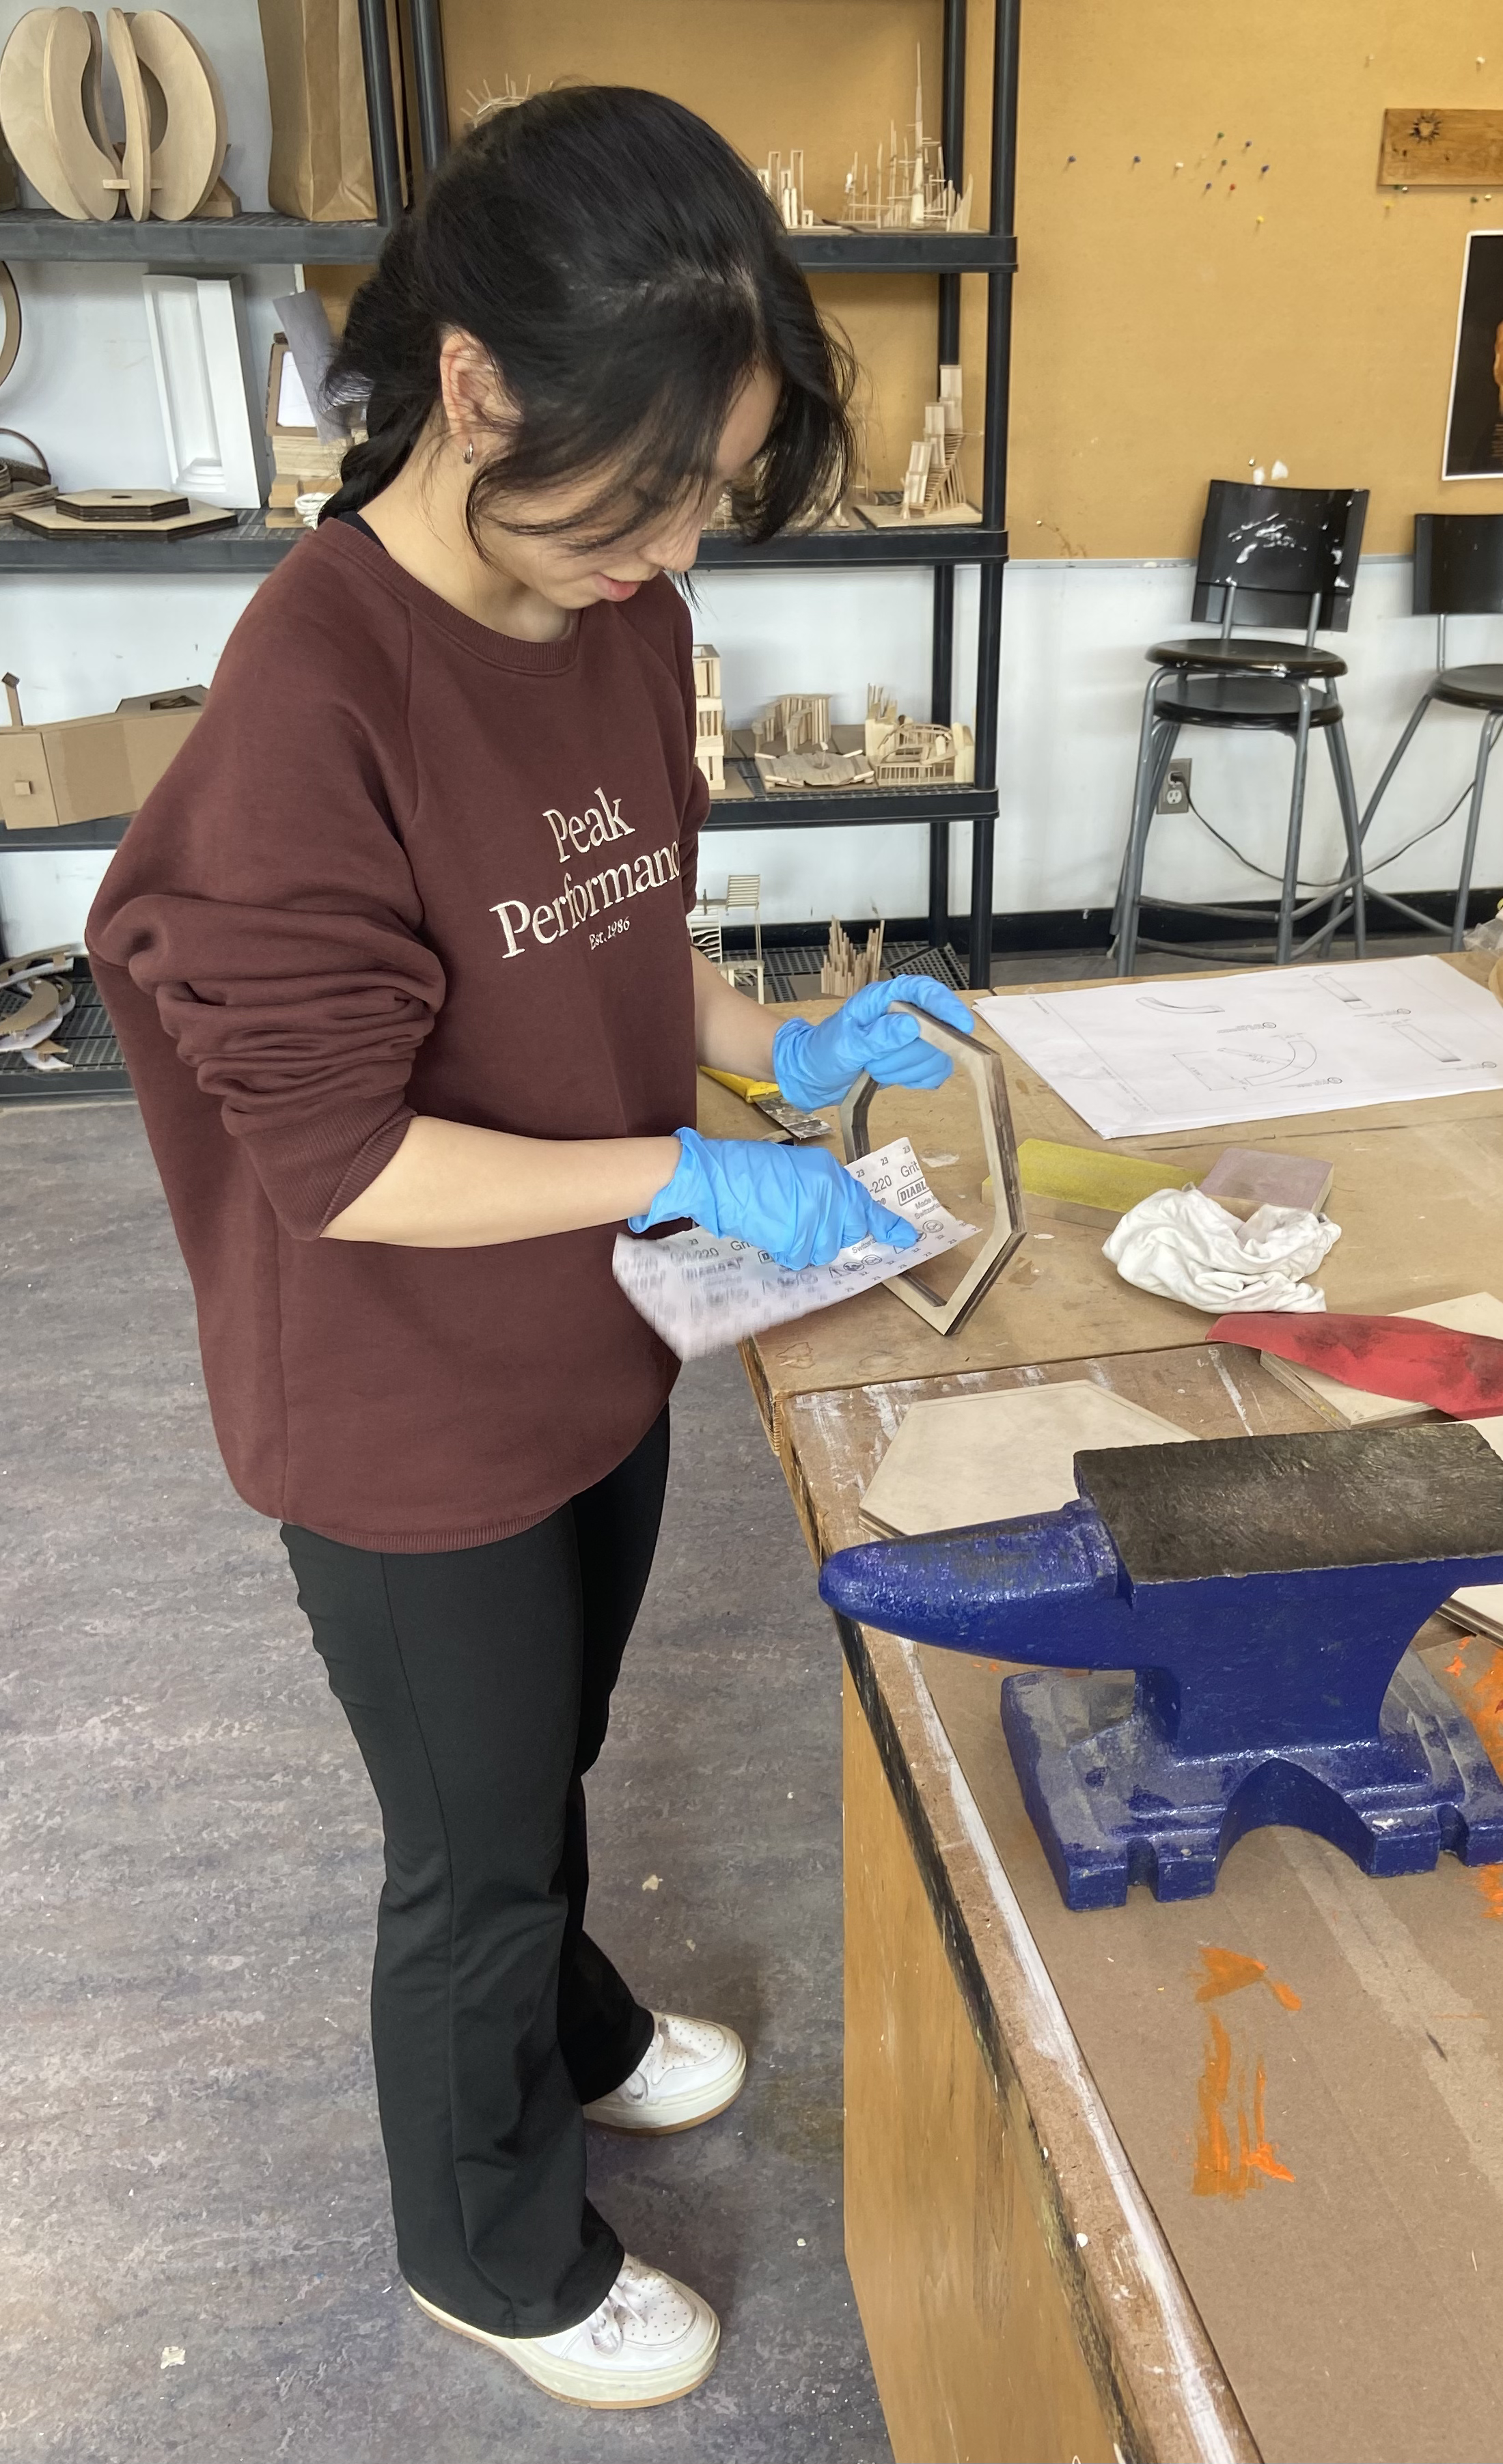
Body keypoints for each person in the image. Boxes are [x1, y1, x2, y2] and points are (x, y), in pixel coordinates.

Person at [87, 87, 972, 2412]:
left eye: (709, 485)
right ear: (472, 382)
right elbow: (347, 1163)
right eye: (649, 480)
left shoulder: (614, 607)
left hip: (589, 1333)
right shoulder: (309, 701)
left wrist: (767, 1048)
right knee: (468, 1852)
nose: (676, 540)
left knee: (551, 1739)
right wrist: (677, 1172)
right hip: (397, 1393)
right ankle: (484, 2242)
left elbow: (628, 905)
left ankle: (577, 2022)